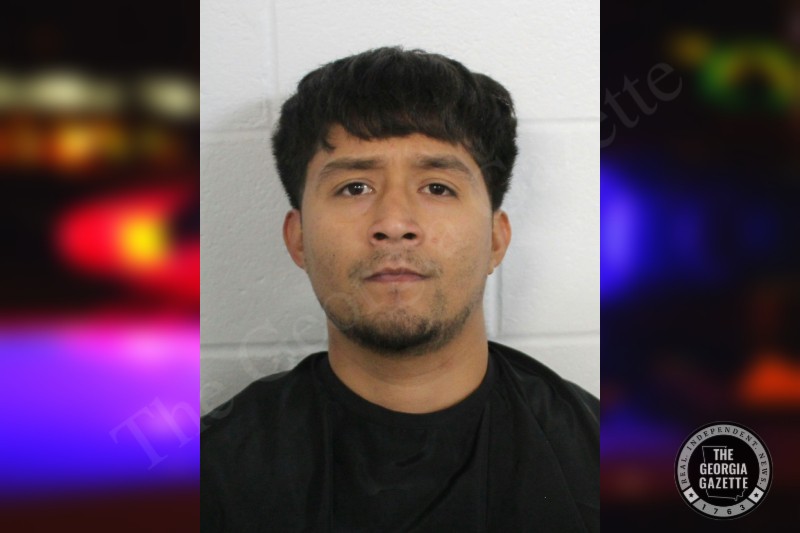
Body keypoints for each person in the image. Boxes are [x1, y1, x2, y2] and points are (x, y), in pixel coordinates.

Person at [201, 46, 599, 532]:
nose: (394, 223)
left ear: (496, 240)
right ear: (298, 238)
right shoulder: (209, 477)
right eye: (355, 187)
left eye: (437, 187)